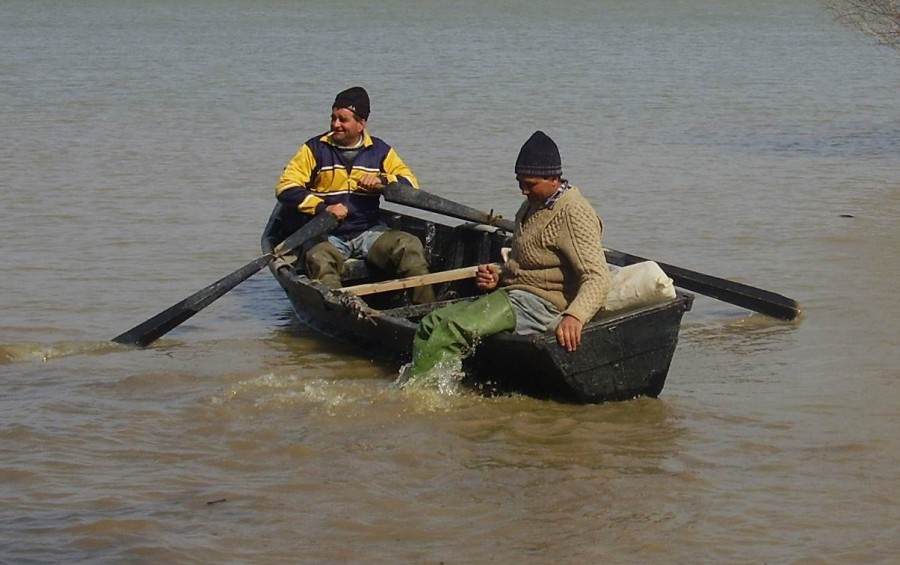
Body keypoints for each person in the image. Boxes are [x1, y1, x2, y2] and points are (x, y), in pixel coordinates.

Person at [407, 130, 611, 381]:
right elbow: (528, 264)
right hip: (516, 295)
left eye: (530, 184)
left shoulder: (573, 212)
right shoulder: (530, 206)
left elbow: (598, 276)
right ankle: (424, 386)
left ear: (553, 178)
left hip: (541, 304)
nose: (523, 191)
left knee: (450, 331)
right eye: (519, 183)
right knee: (430, 323)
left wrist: (575, 316)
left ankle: (425, 396)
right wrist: (500, 276)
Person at [275, 86, 435, 304]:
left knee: (409, 246)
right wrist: (324, 208)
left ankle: (428, 311)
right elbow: (285, 187)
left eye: (343, 119)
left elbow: (410, 185)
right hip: (328, 235)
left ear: (361, 124)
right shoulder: (314, 149)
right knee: (318, 258)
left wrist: (383, 182)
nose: (335, 124)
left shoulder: (380, 151)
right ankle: (337, 311)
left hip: (369, 232)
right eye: (333, 118)